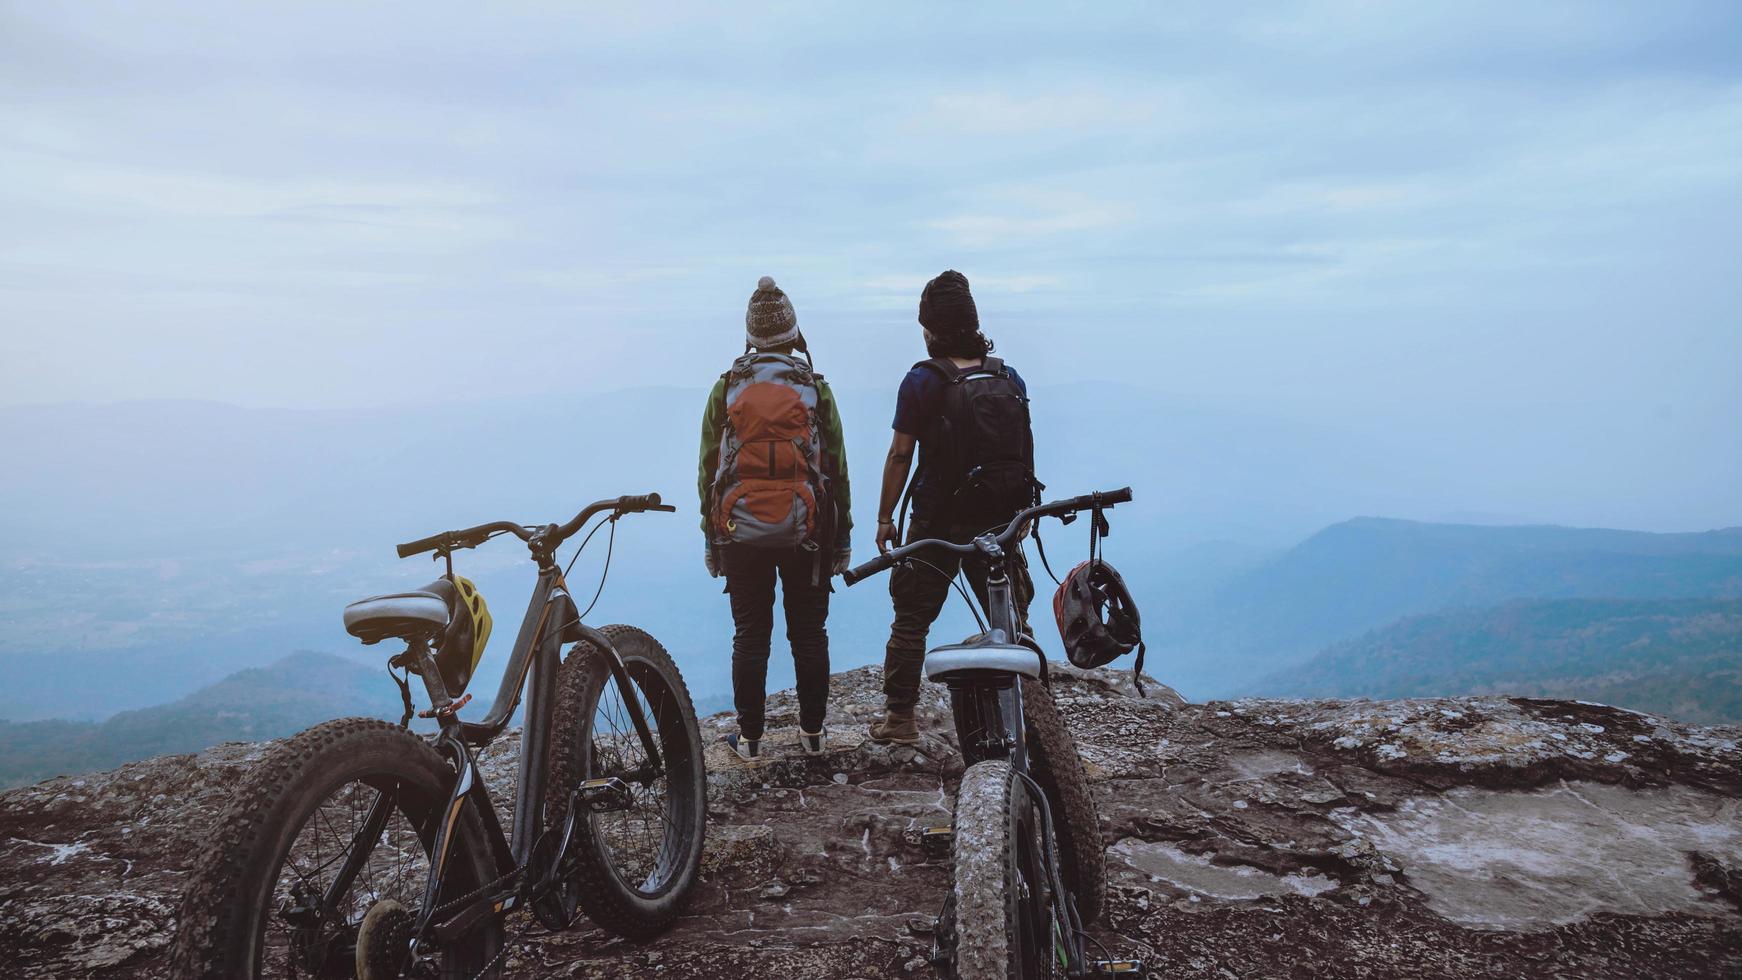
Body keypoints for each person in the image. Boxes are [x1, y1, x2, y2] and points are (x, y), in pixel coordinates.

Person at [868, 270, 1038, 744]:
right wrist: (1021, 509)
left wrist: (885, 518)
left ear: (931, 329)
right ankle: (1033, 723)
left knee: (910, 620)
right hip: (998, 521)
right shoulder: (1007, 376)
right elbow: (1024, 443)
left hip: (937, 522)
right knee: (1011, 622)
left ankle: (899, 718)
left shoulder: (923, 381)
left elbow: (901, 454)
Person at [699, 276, 852, 761]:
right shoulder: (815, 389)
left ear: (750, 336)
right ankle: (813, 735)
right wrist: (841, 540)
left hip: (740, 531)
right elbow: (837, 470)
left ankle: (750, 740)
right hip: (807, 533)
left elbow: (708, 470)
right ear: (792, 333)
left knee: (750, 635)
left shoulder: (726, 389)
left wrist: (712, 540)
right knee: (809, 633)